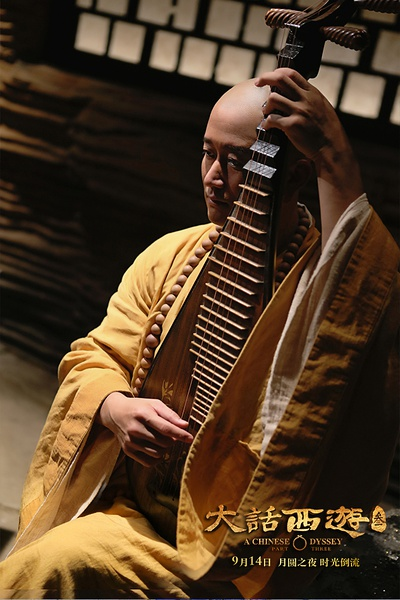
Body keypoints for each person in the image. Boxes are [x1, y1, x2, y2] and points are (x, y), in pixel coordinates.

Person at [0, 68, 398, 599]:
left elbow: (359, 318)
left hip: (235, 545)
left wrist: (336, 158)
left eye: (238, 162)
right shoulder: (175, 255)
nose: (214, 176)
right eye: (207, 153)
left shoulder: (319, 291)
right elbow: (97, 354)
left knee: (51, 567)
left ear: (299, 174)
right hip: (136, 503)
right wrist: (115, 407)